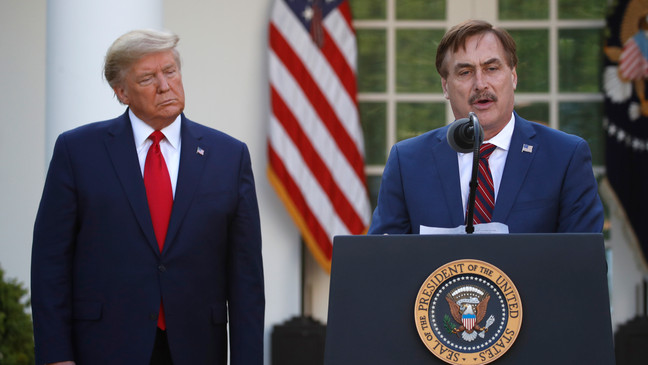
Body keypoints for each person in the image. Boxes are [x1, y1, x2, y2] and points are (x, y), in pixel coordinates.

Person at [31, 29, 265, 365]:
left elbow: (246, 278)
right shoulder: (77, 152)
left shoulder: (229, 156)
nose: (165, 85)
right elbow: (50, 263)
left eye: (170, 71)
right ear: (122, 92)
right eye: (147, 78)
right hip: (104, 346)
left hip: (197, 347)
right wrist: (55, 356)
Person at [368, 19, 604, 234]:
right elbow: (381, 264)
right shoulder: (407, 162)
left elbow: (584, 266)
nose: (481, 84)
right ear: (445, 87)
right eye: (465, 72)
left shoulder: (565, 156)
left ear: (513, 76)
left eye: (491, 69)